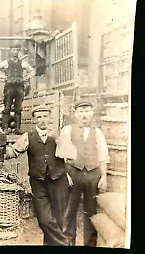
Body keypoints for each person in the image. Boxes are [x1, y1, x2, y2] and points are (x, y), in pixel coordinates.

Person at [5, 105, 71, 246]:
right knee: (44, 219)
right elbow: (13, 152)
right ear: (34, 120)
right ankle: (65, 243)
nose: (42, 120)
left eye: (45, 116)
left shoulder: (59, 136)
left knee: (59, 218)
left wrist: (58, 139)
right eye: (38, 117)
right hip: (38, 182)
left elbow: (69, 155)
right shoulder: (28, 137)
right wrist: (0, 148)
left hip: (59, 180)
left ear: (50, 118)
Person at [56, 100, 110, 246]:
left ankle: (90, 245)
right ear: (75, 113)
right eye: (81, 111)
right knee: (69, 211)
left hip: (93, 174)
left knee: (91, 213)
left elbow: (103, 155)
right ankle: (68, 243)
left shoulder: (97, 132)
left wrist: (103, 177)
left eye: (87, 111)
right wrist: (65, 175)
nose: (84, 115)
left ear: (92, 113)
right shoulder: (67, 130)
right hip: (73, 173)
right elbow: (61, 155)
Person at [0, 40, 37, 135]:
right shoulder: (6, 62)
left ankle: (17, 128)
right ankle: (5, 128)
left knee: (18, 108)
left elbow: (33, 71)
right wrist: (3, 78)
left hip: (20, 87)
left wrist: (26, 77)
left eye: (17, 50)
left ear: (19, 51)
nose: (15, 51)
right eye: (13, 49)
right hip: (9, 87)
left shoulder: (23, 63)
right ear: (10, 51)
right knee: (7, 107)